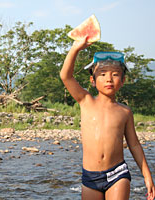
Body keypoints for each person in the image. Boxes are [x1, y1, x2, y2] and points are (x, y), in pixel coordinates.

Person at [60, 37, 155, 200]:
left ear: (123, 80)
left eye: (115, 74)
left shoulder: (125, 112)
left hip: (117, 173)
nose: (109, 79)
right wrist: (76, 48)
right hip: (90, 177)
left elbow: (134, 145)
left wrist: (147, 176)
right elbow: (65, 76)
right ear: (93, 80)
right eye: (102, 74)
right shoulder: (85, 101)